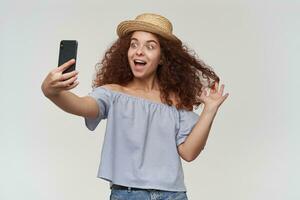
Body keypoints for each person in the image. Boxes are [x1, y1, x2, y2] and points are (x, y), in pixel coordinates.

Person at [41, 13, 229, 200]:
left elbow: (188, 152)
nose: (139, 51)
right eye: (134, 44)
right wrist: (51, 91)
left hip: (174, 195)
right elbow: (81, 105)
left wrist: (209, 110)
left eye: (150, 46)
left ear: (162, 57)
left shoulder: (175, 102)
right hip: (128, 194)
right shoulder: (113, 94)